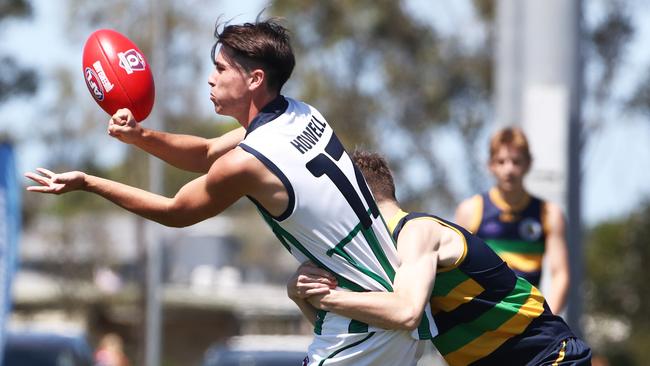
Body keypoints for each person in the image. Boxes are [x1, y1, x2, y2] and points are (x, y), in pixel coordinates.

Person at [25, 19, 434, 365]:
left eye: (221, 68)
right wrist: (139, 136)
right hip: (391, 304)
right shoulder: (301, 113)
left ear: (254, 79)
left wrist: (90, 183)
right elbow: (205, 152)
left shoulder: (249, 161)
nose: (211, 77)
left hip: (362, 327)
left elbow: (175, 210)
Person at [288, 150, 592, 366]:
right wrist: (301, 295)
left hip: (548, 357)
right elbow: (362, 329)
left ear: (355, 196)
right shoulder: (376, 256)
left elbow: (406, 313)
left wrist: (327, 298)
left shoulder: (418, 232)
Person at [455, 127, 570, 314]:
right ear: (490, 165)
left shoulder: (549, 213)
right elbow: (456, 272)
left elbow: (560, 275)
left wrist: (548, 321)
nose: (509, 169)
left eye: (516, 162)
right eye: (501, 162)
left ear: (528, 164)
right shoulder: (470, 210)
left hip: (529, 317)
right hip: (485, 317)